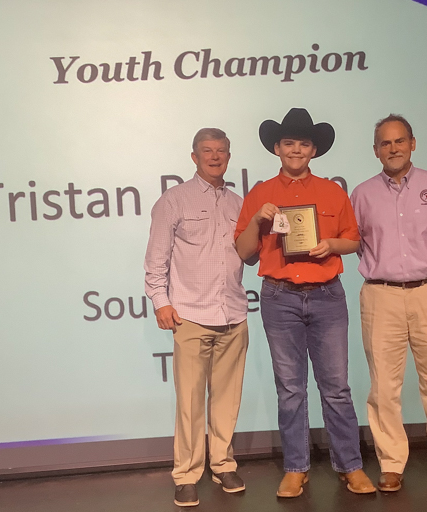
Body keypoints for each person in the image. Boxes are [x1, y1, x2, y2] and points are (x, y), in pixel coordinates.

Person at [235, 108, 376, 498]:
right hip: (279, 298)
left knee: (336, 387)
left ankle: (350, 465)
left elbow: (354, 240)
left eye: (303, 143)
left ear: (314, 150)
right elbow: (244, 253)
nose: (296, 150)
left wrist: (331, 245)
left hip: (327, 295)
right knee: (290, 389)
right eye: (289, 143)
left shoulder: (333, 192)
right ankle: (296, 468)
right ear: (276, 148)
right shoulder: (260, 194)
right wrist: (257, 221)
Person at [350, 114, 427, 492]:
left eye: (400, 141)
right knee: (383, 387)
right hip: (381, 294)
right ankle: (391, 464)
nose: (393, 148)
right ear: (375, 150)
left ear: (413, 144)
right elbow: (357, 243)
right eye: (385, 143)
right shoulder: (362, 194)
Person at [144, 128, 249, 507]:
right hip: (190, 315)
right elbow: (156, 259)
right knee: (190, 402)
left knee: (227, 399)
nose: (215, 156)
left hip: (234, 314)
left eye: (221, 151)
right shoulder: (174, 200)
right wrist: (160, 301)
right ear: (194, 157)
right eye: (207, 150)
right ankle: (187, 474)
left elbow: (250, 253)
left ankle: (222, 464)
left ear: (229, 156)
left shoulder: (239, 203)